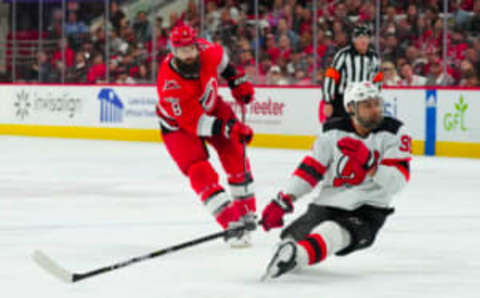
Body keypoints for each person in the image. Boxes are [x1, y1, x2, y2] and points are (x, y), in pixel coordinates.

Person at [261, 81, 412, 279]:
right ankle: (293, 257)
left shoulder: (394, 133)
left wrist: (369, 165)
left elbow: (397, 183)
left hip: (369, 208)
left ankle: (297, 256)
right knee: (289, 239)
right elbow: (310, 170)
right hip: (328, 204)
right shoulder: (332, 131)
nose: (375, 110)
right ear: (351, 108)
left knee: (331, 232)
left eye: (377, 104)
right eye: (367, 105)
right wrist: (284, 199)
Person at [156, 24, 257, 247]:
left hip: (212, 107)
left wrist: (237, 81)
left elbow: (225, 65)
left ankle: (247, 212)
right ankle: (231, 222)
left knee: (235, 151)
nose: (189, 54)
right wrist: (231, 126)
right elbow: (198, 124)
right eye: (183, 51)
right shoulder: (169, 84)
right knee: (199, 171)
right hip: (179, 127)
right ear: (174, 51)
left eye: (191, 48)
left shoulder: (208, 50)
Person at [322, 25, 383, 120]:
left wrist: (374, 99)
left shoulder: (374, 57)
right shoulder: (343, 54)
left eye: (365, 37)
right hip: (342, 100)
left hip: (364, 100)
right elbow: (330, 77)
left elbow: (377, 80)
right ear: (354, 40)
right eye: (359, 38)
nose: (363, 41)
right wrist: (328, 101)